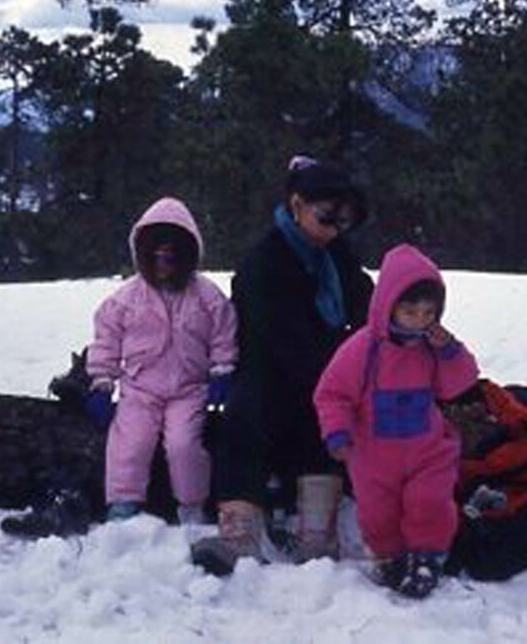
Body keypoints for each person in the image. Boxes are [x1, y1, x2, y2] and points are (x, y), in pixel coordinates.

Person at [191, 155, 374, 575]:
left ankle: (317, 531)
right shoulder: (263, 261)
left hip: (323, 369)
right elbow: (280, 337)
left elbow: (366, 302)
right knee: (242, 418)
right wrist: (334, 378)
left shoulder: (335, 255)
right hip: (269, 371)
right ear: (296, 205)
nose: (335, 229)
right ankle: (239, 534)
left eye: (343, 221)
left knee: (329, 417)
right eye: (327, 217)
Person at [314, 243, 480, 598]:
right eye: (410, 311)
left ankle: (427, 557)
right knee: (377, 514)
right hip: (374, 456)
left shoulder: (433, 348)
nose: (420, 320)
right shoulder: (363, 348)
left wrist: (450, 352)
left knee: (430, 501)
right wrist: (337, 431)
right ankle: (390, 558)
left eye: (428, 312)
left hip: (428, 451)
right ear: (388, 306)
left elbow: (460, 383)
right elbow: (331, 393)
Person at [87, 196, 238, 524]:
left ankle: (191, 506)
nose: (163, 263)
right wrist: (101, 382)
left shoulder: (208, 296)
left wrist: (222, 370)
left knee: (184, 446)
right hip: (140, 390)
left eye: (172, 256)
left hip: (190, 390)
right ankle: (123, 505)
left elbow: (224, 335)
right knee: (130, 443)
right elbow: (106, 342)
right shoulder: (125, 300)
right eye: (155, 256)